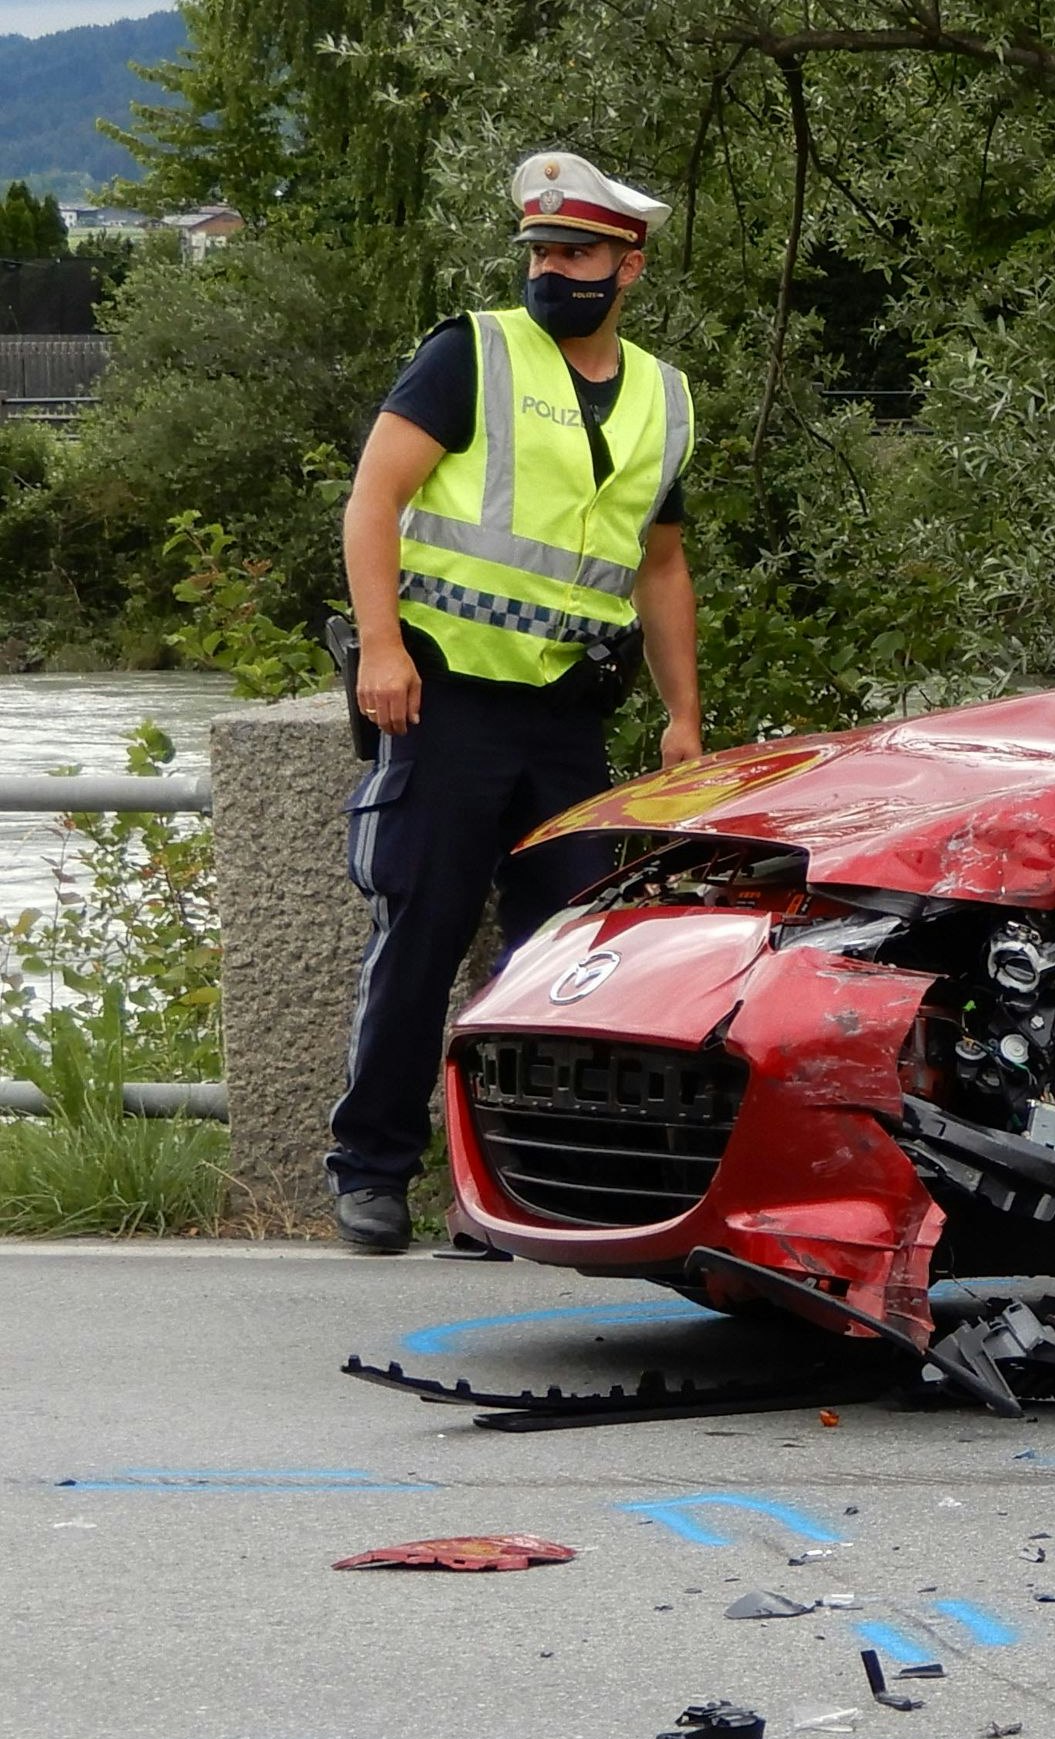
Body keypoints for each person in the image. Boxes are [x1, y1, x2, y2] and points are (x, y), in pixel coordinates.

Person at [328, 151, 702, 1252]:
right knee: (424, 930)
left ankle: (510, 1191)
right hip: (447, 697)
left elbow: (663, 566)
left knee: (557, 963)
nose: (552, 268)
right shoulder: (471, 352)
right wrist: (383, 650)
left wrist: (683, 720)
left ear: (627, 267)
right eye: (539, 250)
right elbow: (372, 499)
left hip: (565, 715)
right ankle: (372, 1171)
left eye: (576, 252)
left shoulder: (663, 397)